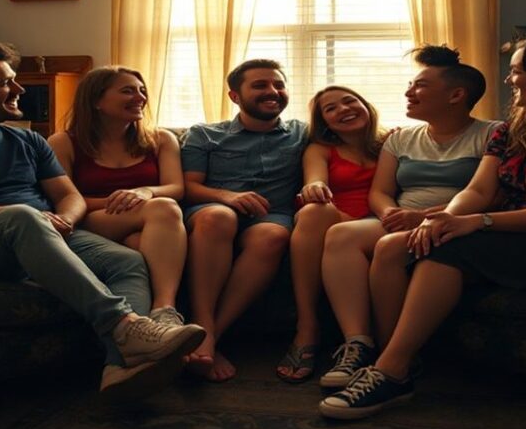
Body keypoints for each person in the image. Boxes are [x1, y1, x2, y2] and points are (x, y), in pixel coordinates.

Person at [319, 35, 526, 420]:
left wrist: (476, 222)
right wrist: (448, 217)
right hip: (508, 229)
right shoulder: (513, 128)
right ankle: (397, 359)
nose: (510, 79)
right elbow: (479, 188)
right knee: (393, 247)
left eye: (517, 71)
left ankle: (391, 370)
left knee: (448, 249)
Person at [0, 43, 205, 402]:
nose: (19, 89)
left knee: (127, 262)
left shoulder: (26, 140)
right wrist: (26, 218)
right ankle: (124, 325)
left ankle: (122, 366)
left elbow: (69, 196)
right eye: (6, 83)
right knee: (21, 216)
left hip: (42, 232)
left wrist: (65, 221)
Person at [319, 45, 499, 391]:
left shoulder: (491, 134)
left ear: (456, 95)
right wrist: (389, 213)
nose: (408, 92)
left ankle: (394, 358)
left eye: (419, 86)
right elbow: (380, 191)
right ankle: (359, 343)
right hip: (400, 219)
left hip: (455, 221)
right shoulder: (400, 138)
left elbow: (495, 193)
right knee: (341, 235)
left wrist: (428, 216)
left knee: (389, 246)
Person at [181, 59, 306, 382]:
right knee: (219, 218)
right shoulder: (205, 134)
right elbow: (189, 187)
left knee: (272, 237)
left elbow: (355, 134)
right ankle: (203, 323)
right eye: (260, 85)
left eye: (278, 84)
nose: (272, 92)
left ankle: (209, 336)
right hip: (212, 209)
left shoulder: (302, 133)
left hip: (271, 215)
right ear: (235, 96)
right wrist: (227, 196)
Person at [48, 66, 188, 327]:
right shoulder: (63, 143)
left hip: (147, 222)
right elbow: (62, 198)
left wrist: (144, 192)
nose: (140, 97)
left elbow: (175, 187)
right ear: (96, 100)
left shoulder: (161, 139)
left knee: (138, 243)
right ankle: (165, 309)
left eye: (142, 91)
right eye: (128, 91)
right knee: (164, 208)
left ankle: (147, 326)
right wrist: (123, 201)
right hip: (90, 220)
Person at [275, 85, 386, 383]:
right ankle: (307, 327)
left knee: (328, 222)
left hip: (379, 225)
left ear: (366, 105)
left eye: (350, 101)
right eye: (331, 108)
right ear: (324, 122)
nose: (343, 109)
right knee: (314, 211)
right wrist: (313, 186)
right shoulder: (320, 149)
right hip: (334, 223)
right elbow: (315, 180)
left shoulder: (392, 142)